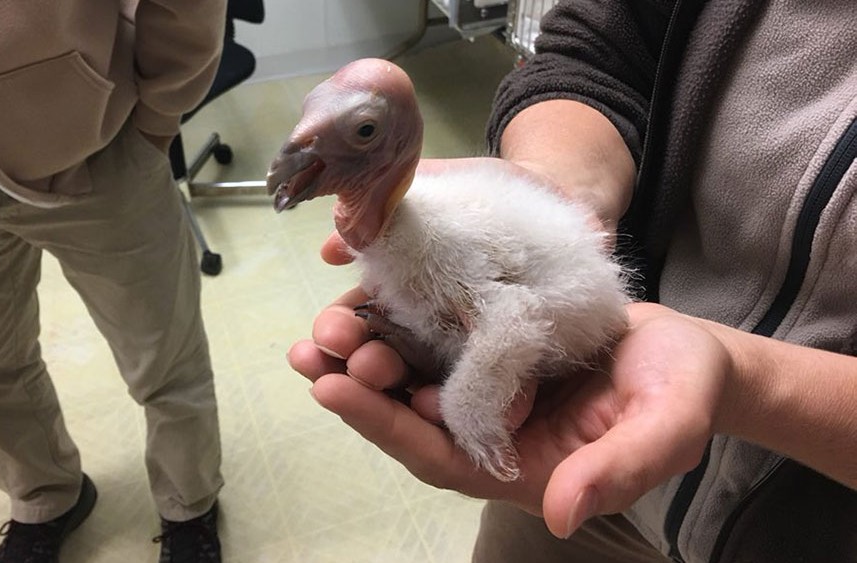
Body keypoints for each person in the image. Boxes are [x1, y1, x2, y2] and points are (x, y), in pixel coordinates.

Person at [287, 1, 857, 562]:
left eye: (362, 131)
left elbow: (513, 321)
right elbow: (597, 51)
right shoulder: (421, 228)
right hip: (575, 451)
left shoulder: (423, 241)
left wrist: (471, 411)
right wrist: (554, 184)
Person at [0, 1, 227, 562]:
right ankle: (45, 498)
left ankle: (190, 502)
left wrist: (160, 116)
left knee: (164, 354)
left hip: (94, 144)